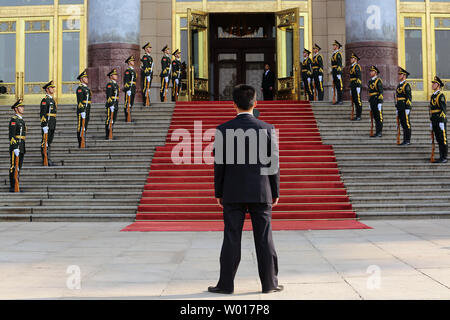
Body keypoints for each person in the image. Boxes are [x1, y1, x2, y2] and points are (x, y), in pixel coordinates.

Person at [210, 84, 282, 295]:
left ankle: (226, 285)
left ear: (233, 105)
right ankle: (269, 284)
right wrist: (275, 191)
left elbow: (219, 164)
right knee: (264, 238)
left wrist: (219, 192)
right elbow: (274, 164)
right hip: (261, 191)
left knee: (231, 237)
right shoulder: (268, 129)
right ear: (255, 103)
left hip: (233, 191)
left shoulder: (223, 130)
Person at [9, 99, 26, 193]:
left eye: (23, 107)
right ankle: (12, 186)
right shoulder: (14, 120)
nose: (22, 108)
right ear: (16, 109)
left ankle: (17, 184)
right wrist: (15, 147)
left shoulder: (21, 120)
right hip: (16, 146)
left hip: (21, 146)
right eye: (20, 107)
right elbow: (11, 135)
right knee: (13, 166)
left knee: (19, 166)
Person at [429, 76, 447, 163]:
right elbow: (432, 110)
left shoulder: (441, 96)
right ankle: (441, 156)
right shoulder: (433, 96)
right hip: (434, 120)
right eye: (433, 83)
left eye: (434, 83)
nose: (432, 85)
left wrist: (442, 121)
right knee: (438, 139)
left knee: (442, 139)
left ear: (438, 85)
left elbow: (443, 109)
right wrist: (431, 121)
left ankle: (444, 157)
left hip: (440, 120)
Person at [40, 80, 57, 166]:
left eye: (53, 87)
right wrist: (44, 125)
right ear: (47, 89)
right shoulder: (45, 100)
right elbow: (43, 114)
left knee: (49, 142)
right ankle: (45, 159)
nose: (53, 89)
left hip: (52, 123)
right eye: (51, 87)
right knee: (45, 142)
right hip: (47, 124)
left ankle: (48, 158)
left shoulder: (52, 100)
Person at [396, 67, 412, 146]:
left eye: (400, 74)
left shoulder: (406, 85)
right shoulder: (399, 85)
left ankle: (407, 140)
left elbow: (409, 97)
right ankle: (404, 140)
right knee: (402, 124)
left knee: (406, 124)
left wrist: (408, 108)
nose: (399, 75)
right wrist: (397, 108)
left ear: (404, 75)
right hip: (400, 107)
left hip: (405, 107)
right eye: (399, 74)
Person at [76, 70, 91, 148]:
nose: (87, 79)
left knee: (85, 126)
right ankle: (80, 142)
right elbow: (80, 101)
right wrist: (82, 111)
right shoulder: (80, 89)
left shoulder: (86, 89)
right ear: (81, 79)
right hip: (82, 110)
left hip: (87, 109)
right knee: (81, 126)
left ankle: (83, 141)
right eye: (85, 77)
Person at [368, 65, 383, 137]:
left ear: (375, 72)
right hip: (372, 101)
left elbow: (380, 92)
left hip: (377, 101)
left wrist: (380, 102)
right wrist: (370, 102)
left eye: (372, 71)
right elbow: (370, 93)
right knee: (374, 117)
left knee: (378, 117)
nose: (370, 72)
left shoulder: (378, 81)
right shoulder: (370, 81)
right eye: (370, 71)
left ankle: (379, 132)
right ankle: (376, 132)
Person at [105, 68, 120, 140]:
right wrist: (111, 105)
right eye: (114, 75)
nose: (116, 76)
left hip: (115, 103)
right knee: (109, 119)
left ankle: (111, 131)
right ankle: (108, 134)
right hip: (111, 104)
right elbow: (109, 96)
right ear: (111, 76)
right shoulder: (110, 85)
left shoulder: (116, 85)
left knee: (113, 119)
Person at [123, 55, 137, 122]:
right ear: (129, 62)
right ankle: (127, 117)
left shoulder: (133, 71)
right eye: (132, 61)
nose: (133, 62)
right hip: (130, 88)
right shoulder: (128, 71)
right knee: (127, 103)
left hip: (133, 88)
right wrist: (128, 89)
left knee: (131, 103)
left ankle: (129, 116)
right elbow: (126, 81)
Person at [349, 52, 362, 120]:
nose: (351, 59)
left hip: (356, 85)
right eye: (351, 58)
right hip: (353, 85)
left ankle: (358, 115)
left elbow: (358, 77)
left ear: (355, 59)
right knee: (354, 100)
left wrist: (358, 86)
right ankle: (356, 115)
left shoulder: (357, 66)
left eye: (352, 58)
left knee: (358, 101)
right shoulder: (352, 67)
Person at [331, 40, 343, 105]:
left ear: (337, 46)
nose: (333, 46)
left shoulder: (338, 54)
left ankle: (340, 100)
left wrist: (338, 72)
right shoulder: (334, 54)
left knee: (339, 86)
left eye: (334, 45)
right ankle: (337, 100)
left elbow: (339, 64)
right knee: (336, 86)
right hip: (334, 71)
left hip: (337, 72)